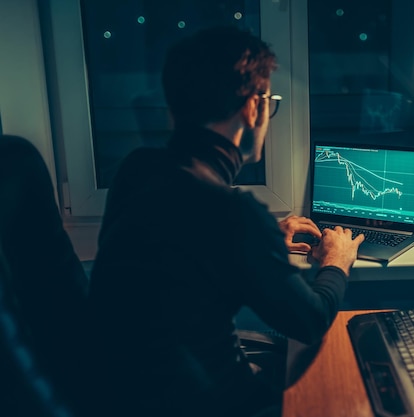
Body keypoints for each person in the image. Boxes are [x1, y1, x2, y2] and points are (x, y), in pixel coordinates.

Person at [85, 26, 364, 417]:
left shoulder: (137, 170)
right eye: (270, 102)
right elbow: (310, 320)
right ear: (253, 107)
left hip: (125, 393)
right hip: (206, 403)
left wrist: (261, 241)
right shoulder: (232, 214)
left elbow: (181, 249)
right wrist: (337, 259)